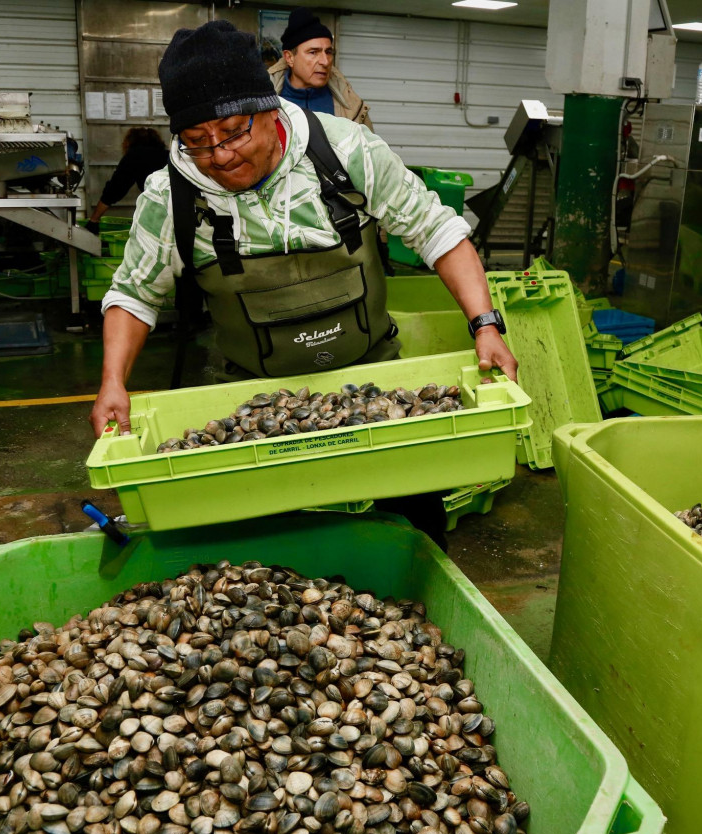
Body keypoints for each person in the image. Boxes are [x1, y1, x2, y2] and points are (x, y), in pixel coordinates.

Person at [89, 20, 516, 546]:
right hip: (245, 402)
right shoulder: (170, 195)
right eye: (197, 142)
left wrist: (485, 325)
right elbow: (134, 294)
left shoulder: (346, 152)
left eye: (234, 132)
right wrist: (113, 381)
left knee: (414, 526)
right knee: (249, 549)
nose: (220, 155)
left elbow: (438, 232)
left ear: (269, 110)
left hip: (375, 384)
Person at [267, 9, 372, 129]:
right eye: (313, 52)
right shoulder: (265, 102)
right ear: (289, 57)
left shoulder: (349, 104)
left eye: (328, 52)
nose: (325, 61)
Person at [86, 127, 169, 231]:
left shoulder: (134, 156)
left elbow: (114, 190)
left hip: (160, 211)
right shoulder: (168, 155)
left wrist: (94, 220)